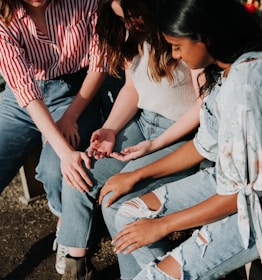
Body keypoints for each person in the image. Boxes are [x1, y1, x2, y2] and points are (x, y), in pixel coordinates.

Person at [106, 0, 262, 279]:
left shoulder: (245, 89)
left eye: (177, 46)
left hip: (250, 211)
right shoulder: (226, 72)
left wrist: (163, 225)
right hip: (226, 182)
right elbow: (202, 145)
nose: (175, 55)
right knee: (128, 213)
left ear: (205, 38)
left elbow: (237, 198)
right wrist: (137, 175)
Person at [57, 0, 204, 279]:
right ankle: (76, 269)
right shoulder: (129, 31)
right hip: (142, 122)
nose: (128, 24)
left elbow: (202, 107)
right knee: (78, 173)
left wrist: (155, 145)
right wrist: (110, 129)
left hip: (179, 134)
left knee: (118, 200)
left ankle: (151, 273)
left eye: (132, 16)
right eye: (122, 19)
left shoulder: (178, 31)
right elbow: (132, 88)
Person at [0, 0, 108, 275]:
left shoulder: (86, 2)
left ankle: (66, 223)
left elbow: (100, 62)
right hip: (22, 99)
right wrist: (60, 145)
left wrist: (70, 117)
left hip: (74, 94)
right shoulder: (3, 14)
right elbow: (24, 90)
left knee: (55, 169)